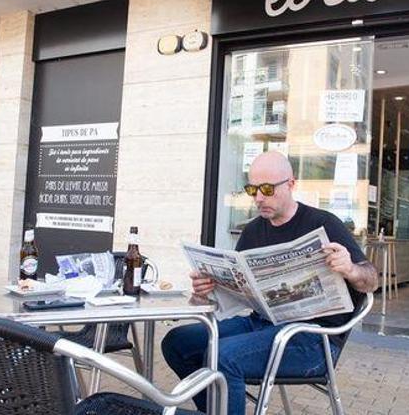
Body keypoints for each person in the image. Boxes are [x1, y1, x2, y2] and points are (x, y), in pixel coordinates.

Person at [161, 152, 379, 415]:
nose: (259, 198)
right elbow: (232, 298)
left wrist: (351, 269)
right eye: (252, 189)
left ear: (291, 184)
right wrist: (205, 292)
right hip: (261, 323)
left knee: (224, 357)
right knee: (177, 343)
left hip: (312, 339)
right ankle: (219, 410)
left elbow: (371, 281)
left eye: (267, 189)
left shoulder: (323, 223)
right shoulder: (253, 230)